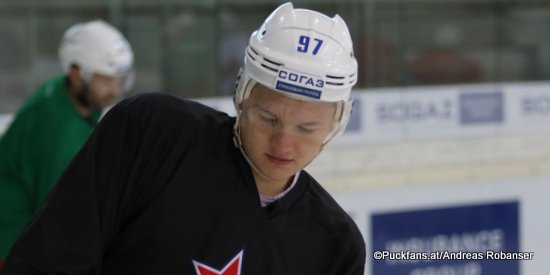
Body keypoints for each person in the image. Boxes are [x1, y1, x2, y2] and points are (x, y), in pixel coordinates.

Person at [1, 3, 365, 274]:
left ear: (338, 122)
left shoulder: (335, 246)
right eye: (268, 118)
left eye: (306, 129)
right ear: (241, 95)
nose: (283, 145)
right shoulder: (151, 136)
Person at [0, 19, 134, 267]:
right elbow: (64, 218)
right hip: (11, 247)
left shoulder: (62, 94)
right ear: (76, 74)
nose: (114, 90)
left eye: (120, 80)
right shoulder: (60, 135)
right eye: (105, 80)